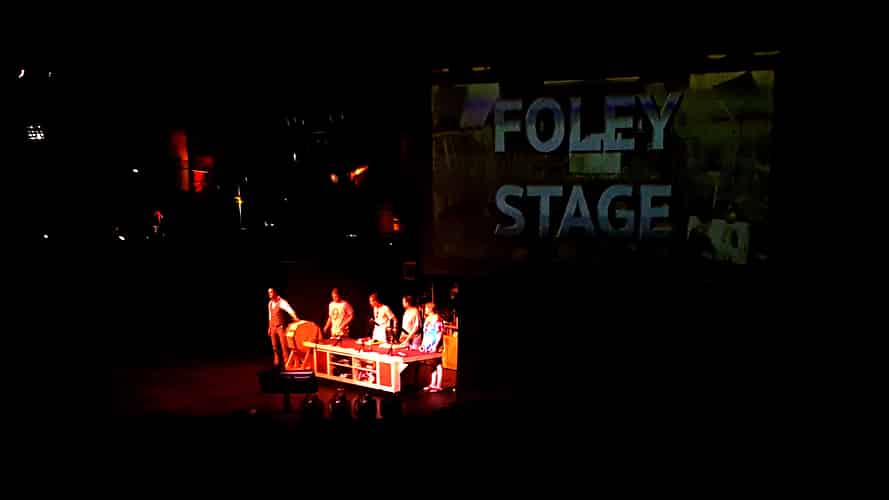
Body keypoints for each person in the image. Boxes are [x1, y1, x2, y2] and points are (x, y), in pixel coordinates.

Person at [268, 287, 299, 367]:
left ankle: (286, 361)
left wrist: (295, 317)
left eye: (271, 292)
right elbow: (270, 316)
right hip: (272, 327)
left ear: (275, 292)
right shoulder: (270, 303)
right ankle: (276, 360)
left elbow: (289, 309)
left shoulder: (282, 302)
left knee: (283, 345)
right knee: (274, 345)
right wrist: (269, 327)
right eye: (269, 292)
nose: (269, 294)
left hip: (280, 327)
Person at [421, 302, 445, 392]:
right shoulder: (427, 318)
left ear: (430, 309)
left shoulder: (437, 318)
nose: (425, 310)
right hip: (428, 343)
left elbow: (439, 333)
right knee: (432, 363)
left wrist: (435, 345)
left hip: (435, 343)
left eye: (426, 308)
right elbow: (425, 332)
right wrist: (423, 344)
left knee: (438, 363)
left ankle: (438, 385)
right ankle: (432, 383)